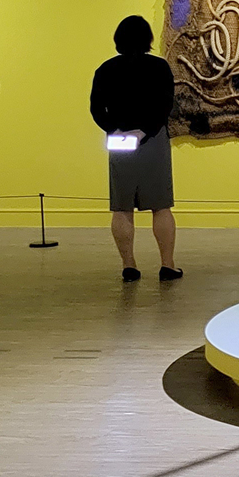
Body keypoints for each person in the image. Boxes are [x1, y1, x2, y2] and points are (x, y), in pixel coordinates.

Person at [90, 15, 180, 283]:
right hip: (152, 139)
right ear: (148, 39)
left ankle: (129, 266)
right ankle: (167, 265)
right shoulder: (159, 67)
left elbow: (96, 108)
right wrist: (145, 131)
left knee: (122, 207)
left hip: (120, 142)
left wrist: (115, 129)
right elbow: (165, 105)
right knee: (160, 206)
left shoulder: (105, 69)